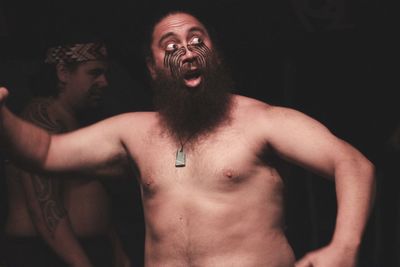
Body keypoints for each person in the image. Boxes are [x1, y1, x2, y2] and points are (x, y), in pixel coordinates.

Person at [0, 11, 375, 267]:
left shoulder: (263, 120)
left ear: (213, 55)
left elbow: (353, 164)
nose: (186, 49)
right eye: (170, 44)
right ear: (152, 69)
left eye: (197, 39)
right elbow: (44, 152)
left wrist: (344, 246)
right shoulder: (134, 131)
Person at [1, 41, 131, 267]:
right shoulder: (41, 116)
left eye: (105, 73)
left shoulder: (73, 120)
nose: (104, 82)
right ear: (63, 72)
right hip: (43, 254)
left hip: (84, 250)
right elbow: (44, 208)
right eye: (94, 73)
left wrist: (116, 251)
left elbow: (90, 193)